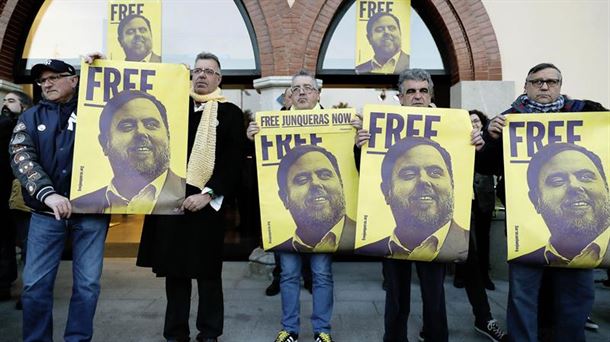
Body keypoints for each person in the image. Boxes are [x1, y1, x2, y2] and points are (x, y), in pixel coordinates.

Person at [353, 68, 484, 342]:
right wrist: (359, 147)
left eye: (423, 91)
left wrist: (476, 143)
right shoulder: (382, 125)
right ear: (400, 97)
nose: (417, 96)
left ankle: (436, 336)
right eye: (410, 91)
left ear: (431, 94)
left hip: (437, 227)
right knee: (396, 293)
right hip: (394, 227)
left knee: (434, 294)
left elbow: (469, 166)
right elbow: (366, 172)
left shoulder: (454, 124)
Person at [481, 62, 607, 342]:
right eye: (537, 82)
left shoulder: (588, 112)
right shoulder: (508, 119)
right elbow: (486, 165)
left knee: (576, 297)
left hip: (580, 229)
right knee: (523, 297)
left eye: (551, 81)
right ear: (526, 86)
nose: (544, 86)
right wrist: (491, 137)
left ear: (560, 85)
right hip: (526, 227)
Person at [136, 52, 245, 342]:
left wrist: (208, 194)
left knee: (208, 274)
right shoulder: (172, 108)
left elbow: (233, 162)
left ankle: (209, 332)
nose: (201, 75)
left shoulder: (230, 113)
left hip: (207, 205)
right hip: (171, 203)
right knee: (175, 273)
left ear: (218, 79)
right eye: (197, 70)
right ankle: (175, 333)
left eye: (209, 71)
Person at [9, 59, 110, 342]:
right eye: (43, 80)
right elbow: (21, 157)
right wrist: (48, 193)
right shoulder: (29, 118)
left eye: (54, 77)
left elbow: (122, 95)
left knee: (88, 285)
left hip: (91, 213)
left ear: (74, 80)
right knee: (34, 286)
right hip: (44, 214)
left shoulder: (97, 111)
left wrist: (100, 68)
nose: (47, 84)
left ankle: (77, 339)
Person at [247, 70, 336, 342]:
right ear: (289, 95)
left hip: (324, 214)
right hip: (289, 216)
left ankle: (322, 331)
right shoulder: (275, 124)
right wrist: (252, 139)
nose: (301, 92)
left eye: (308, 88)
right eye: (296, 88)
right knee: (288, 274)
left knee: (321, 273)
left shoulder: (335, 122)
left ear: (318, 94)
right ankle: (290, 330)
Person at [356, 136, 469, 262]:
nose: (424, 180)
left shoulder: (468, 244)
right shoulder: (372, 249)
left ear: (452, 184)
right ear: (386, 192)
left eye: (435, 172)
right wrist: (360, 147)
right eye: (409, 174)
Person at [71, 90, 185, 214]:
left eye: (151, 124)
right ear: (104, 143)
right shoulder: (80, 206)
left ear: (168, 136)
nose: (141, 132)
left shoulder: (190, 195)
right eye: (127, 127)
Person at [514, 143, 610, 267]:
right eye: (557, 181)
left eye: (586, 177)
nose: (574, 186)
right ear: (535, 200)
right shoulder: (525, 264)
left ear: (607, 188)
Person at [271, 144, 356, 252]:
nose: (316, 183)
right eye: (302, 180)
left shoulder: (369, 242)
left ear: (341, 184)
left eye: (325, 175)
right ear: (284, 198)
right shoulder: (278, 252)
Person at [0, 90, 33, 303]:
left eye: (11, 101)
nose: (5, 104)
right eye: (4, 100)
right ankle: (4, 284)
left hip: (23, 196)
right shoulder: (3, 126)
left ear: (23, 106)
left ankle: (29, 291)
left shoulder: (28, 126)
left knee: (28, 243)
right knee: (4, 242)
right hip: (4, 194)